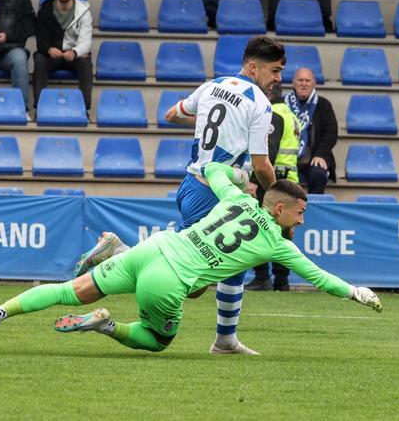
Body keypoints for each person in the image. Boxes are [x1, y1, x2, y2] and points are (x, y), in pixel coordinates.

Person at [0, 163, 383, 353]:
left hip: (154, 247)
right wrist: (356, 292)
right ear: (278, 210)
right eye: (301, 212)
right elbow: (321, 278)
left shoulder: (236, 196)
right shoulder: (278, 243)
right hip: (169, 278)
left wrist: (236, 175)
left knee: (70, 291)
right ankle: (108, 325)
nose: (303, 221)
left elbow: (213, 170)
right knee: (159, 341)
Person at [74, 36, 285, 355]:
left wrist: (206, 122)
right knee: (202, 272)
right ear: (253, 67)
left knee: (202, 280)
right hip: (213, 193)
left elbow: (172, 114)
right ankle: (223, 340)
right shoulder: (259, 103)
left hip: (191, 185)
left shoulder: (211, 85)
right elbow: (261, 163)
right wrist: (278, 190)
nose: (278, 78)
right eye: (275, 70)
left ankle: (122, 253)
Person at [248, 82, 301, 292]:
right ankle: (282, 280)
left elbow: (268, 149)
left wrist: (253, 179)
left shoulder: (272, 115)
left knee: (259, 227)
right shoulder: (291, 115)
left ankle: (262, 277)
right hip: (290, 180)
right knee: (283, 231)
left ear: (267, 94)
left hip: (271, 182)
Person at [33, 0, 93, 116]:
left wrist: (75, 52)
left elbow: (86, 41)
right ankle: (39, 107)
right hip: (52, 56)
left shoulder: (84, 10)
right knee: (39, 59)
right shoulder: (45, 9)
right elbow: (41, 39)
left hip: (73, 56)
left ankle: (84, 109)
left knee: (86, 61)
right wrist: (49, 50)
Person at [284, 68, 337, 195]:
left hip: (314, 156)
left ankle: (313, 209)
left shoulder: (323, 105)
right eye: (300, 80)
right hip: (286, 157)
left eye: (307, 80)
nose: (304, 83)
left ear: (314, 83)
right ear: (293, 83)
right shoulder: (282, 103)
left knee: (318, 174)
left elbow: (331, 133)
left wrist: (321, 154)